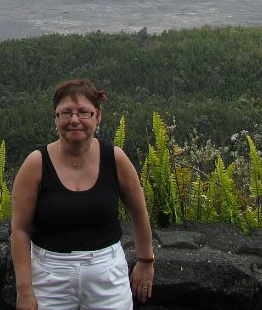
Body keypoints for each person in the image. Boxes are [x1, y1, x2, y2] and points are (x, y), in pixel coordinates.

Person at [11, 78, 155, 310]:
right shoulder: (36, 164)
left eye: (83, 112)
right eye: (66, 113)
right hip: (50, 277)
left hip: (107, 275)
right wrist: (25, 290)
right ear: (56, 117)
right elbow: (19, 230)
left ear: (98, 116)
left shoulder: (115, 158)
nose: (74, 120)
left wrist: (146, 260)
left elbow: (139, 212)